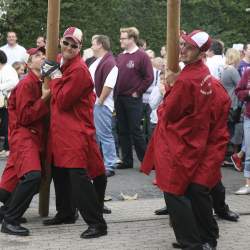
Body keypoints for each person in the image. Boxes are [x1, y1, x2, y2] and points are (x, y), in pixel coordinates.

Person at [141, 30, 231, 250]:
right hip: (198, 143)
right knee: (194, 191)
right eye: (182, 44)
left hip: (186, 144)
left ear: (201, 53)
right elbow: (220, 104)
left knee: (177, 192)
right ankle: (204, 238)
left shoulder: (188, 79)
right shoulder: (204, 76)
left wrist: (168, 90)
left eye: (188, 47)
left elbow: (168, 113)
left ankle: (194, 241)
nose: (182, 49)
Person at [41, 27, 107, 239]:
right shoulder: (59, 59)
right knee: (60, 173)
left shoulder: (78, 70)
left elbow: (63, 101)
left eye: (74, 45)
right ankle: (66, 212)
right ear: (61, 41)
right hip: (62, 130)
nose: (69, 47)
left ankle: (97, 223)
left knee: (78, 177)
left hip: (75, 131)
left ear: (80, 48)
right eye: (66, 42)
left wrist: (54, 75)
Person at [0, 46, 50, 236]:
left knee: (8, 189)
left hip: (31, 137)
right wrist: (44, 99)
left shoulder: (39, 82)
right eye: (38, 56)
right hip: (24, 136)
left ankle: (5, 212)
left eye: (44, 55)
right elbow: (25, 117)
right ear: (29, 64)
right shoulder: (27, 84)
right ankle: (10, 220)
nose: (43, 58)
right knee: (33, 177)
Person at [115, 27, 154, 169]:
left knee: (135, 130)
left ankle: (146, 161)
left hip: (133, 99)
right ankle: (127, 161)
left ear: (132, 39)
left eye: (123, 38)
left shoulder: (142, 56)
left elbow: (149, 77)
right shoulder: (120, 56)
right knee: (122, 130)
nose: (120, 40)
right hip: (120, 98)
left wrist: (138, 92)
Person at [89, 35, 119, 177]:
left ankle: (110, 164)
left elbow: (109, 84)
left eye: (93, 44)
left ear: (100, 44)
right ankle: (102, 163)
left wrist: (100, 100)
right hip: (95, 103)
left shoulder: (109, 62)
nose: (91, 46)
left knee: (105, 135)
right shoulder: (100, 61)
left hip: (101, 104)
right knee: (98, 136)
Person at [0, 50, 19, 158]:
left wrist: (1, 87)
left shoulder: (8, 69)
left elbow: (14, 82)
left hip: (8, 101)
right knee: (3, 125)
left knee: (7, 124)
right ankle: (4, 147)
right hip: (2, 102)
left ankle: (8, 147)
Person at [234, 68, 250, 195]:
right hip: (249, 117)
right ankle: (248, 184)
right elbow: (238, 91)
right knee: (249, 151)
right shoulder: (248, 72)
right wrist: (248, 93)